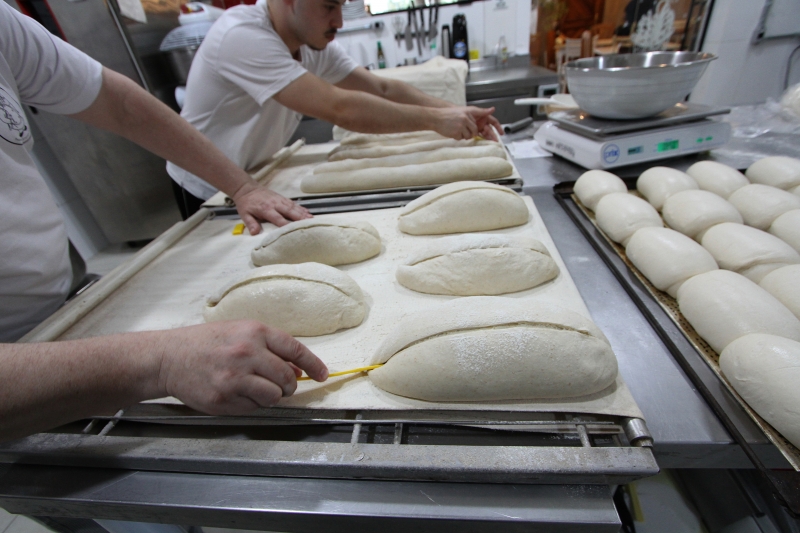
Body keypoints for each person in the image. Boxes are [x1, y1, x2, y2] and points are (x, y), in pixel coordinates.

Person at [0, 1, 328, 442]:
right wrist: (160, 361)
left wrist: (242, 186)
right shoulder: (242, 33)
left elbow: (119, 103)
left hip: (62, 313)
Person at [167, 0, 502, 207]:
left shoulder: (313, 44)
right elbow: (340, 108)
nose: (339, 22)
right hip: (207, 185)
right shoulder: (242, 36)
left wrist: (452, 112)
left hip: (257, 171)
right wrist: (434, 121)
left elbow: (381, 88)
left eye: (341, 6)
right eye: (329, 7)